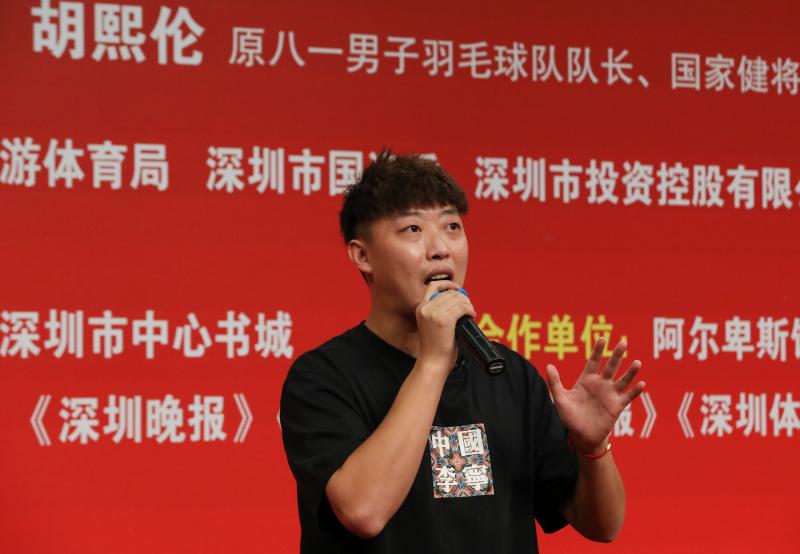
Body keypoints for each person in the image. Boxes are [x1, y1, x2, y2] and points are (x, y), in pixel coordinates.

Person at [280, 151, 645, 553]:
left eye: (451, 226)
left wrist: (593, 450)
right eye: (413, 229)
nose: (440, 248)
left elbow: (603, 525)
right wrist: (434, 360)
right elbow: (363, 511)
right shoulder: (322, 378)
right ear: (362, 255)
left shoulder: (509, 374)